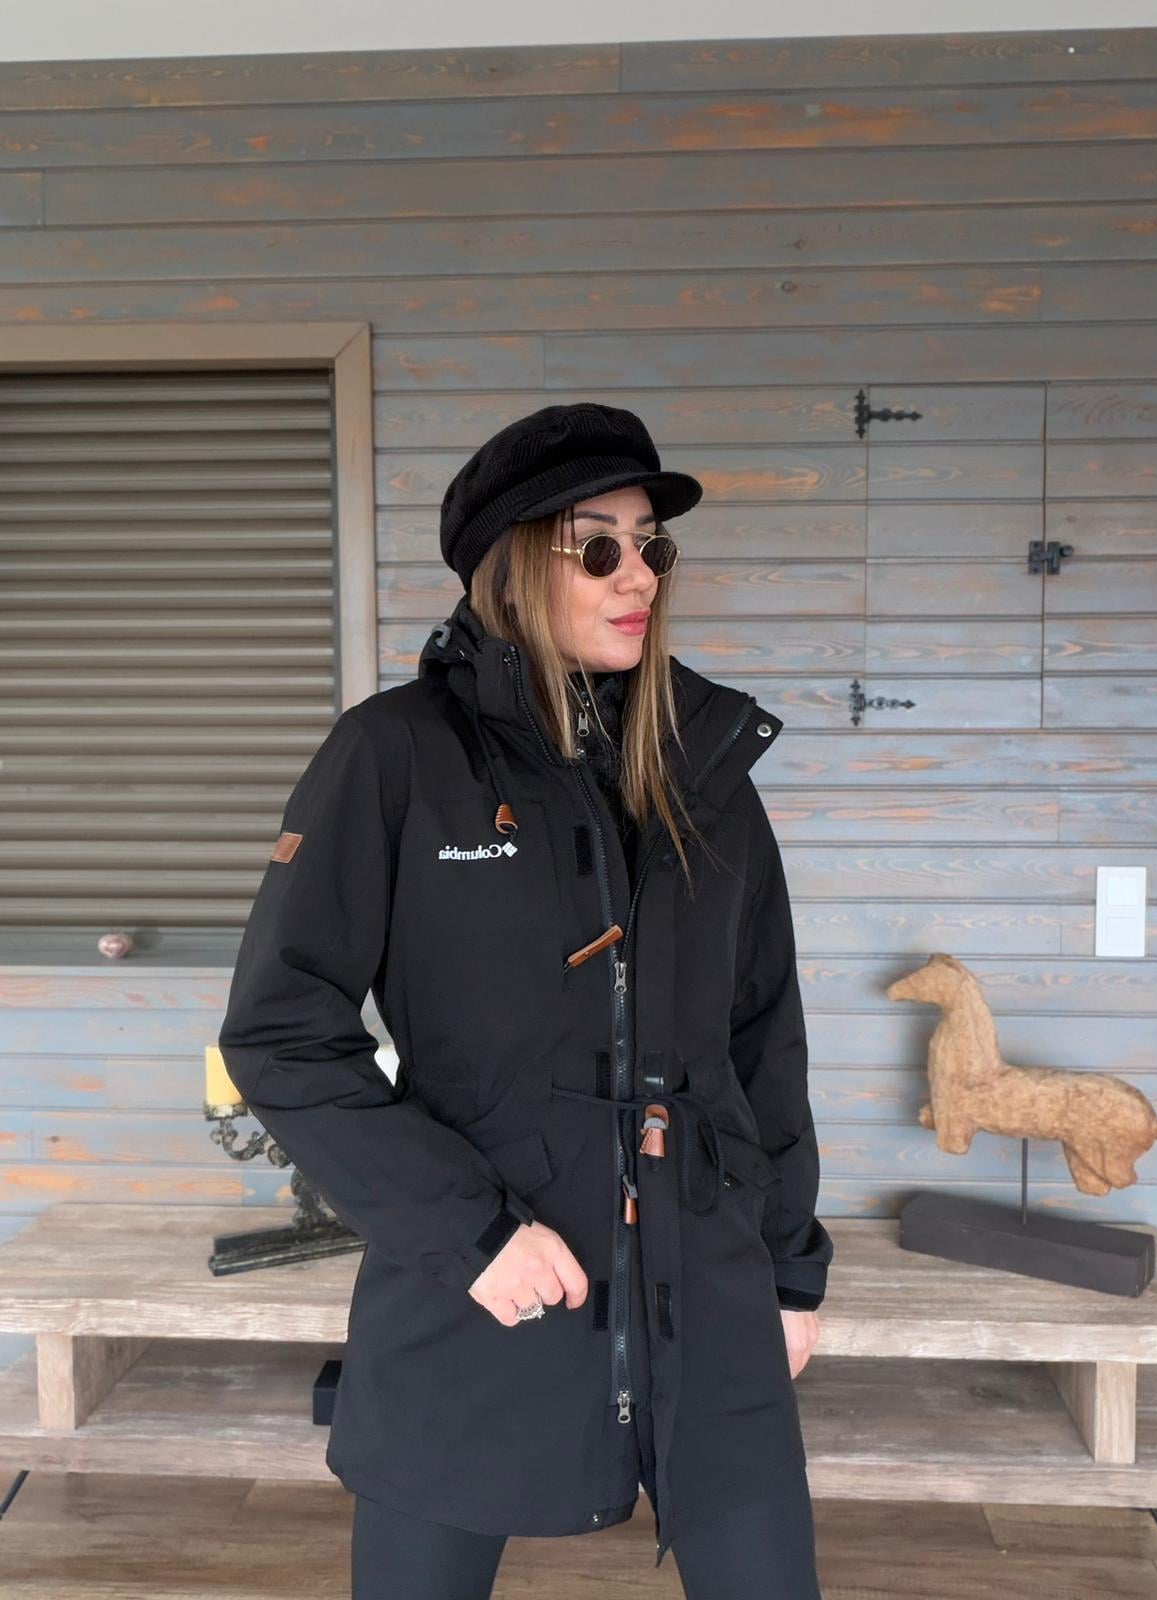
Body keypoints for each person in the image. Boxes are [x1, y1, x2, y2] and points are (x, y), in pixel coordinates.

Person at [218, 402, 834, 1598]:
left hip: (710, 1298)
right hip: (481, 1289)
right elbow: (281, 1031)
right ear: (512, 566)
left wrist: (788, 1266)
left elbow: (764, 1037)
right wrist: (474, 1235)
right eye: (597, 546)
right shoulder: (395, 757)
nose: (637, 574)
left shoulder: (704, 767)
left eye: (651, 544)